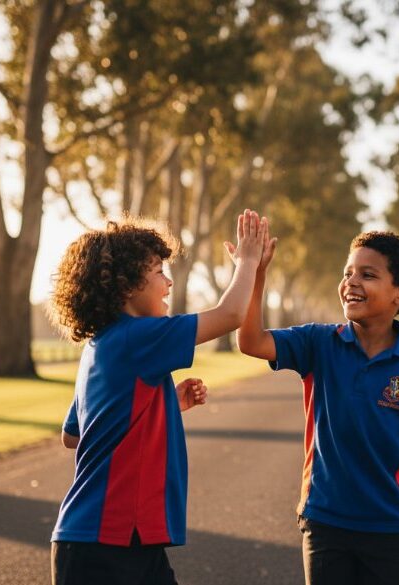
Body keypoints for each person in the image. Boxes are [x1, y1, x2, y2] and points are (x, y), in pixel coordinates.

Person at [48, 211, 266, 585]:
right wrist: (248, 261)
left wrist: (165, 405)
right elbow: (230, 314)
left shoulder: (101, 345)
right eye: (158, 273)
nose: (168, 283)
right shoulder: (137, 337)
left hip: (104, 541)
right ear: (126, 286)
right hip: (108, 544)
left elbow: (75, 435)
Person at [237, 230, 399, 585]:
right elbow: (251, 342)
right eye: (348, 273)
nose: (351, 282)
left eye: (367, 275)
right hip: (325, 520)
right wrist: (255, 273)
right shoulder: (318, 342)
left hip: (389, 524)